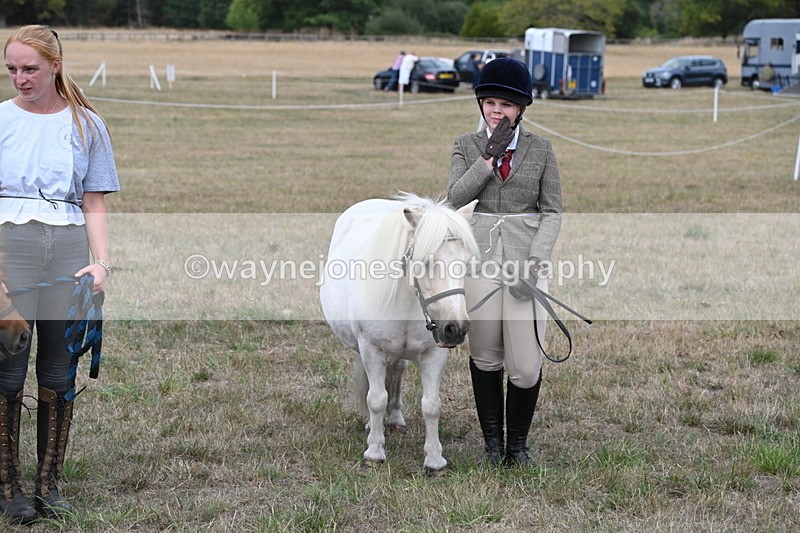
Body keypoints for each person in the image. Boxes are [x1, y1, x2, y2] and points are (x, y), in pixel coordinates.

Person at [0, 25, 120, 523]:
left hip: (68, 251)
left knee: (57, 370)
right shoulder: (0, 121)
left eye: (30, 69)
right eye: (12, 69)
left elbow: (93, 201)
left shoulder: (87, 125)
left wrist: (101, 261)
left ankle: (49, 483)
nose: (20, 78)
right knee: (7, 370)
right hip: (10, 249)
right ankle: (8, 487)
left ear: (55, 66)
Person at [447, 58, 562, 468]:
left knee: (526, 365)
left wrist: (535, 263)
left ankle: (520, 445)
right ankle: (494, 447)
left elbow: (552, 212)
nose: (497, 110)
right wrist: (487, 161)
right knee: (485, 356)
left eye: (506, 104)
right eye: (490, 102)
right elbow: (455, 199)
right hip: (479, 265)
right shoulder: (465, 144)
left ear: (521, 108)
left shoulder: (542, 150)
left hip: (524, 268)